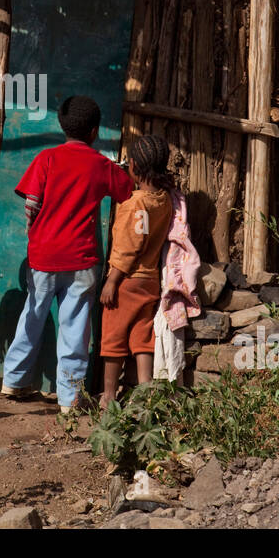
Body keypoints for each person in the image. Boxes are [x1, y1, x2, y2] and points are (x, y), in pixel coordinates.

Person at [1, 96, 132, 413]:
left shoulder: (46, 158)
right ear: (94, 131)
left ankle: (14, 380)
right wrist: (119, 169)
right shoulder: (101, 165)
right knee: (74, 329)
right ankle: (70, 401)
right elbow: (126, 189)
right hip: (81, 261)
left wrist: (38, 233)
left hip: (43, 256)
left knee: (32, 317)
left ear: (62, 126)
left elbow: (30, 205)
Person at [99, 134, 176, 407]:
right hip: (150, 280)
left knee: (113, 336)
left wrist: (112, 280)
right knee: (142, 336)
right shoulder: (164, 200)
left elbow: (129, 246)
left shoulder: (135, 204)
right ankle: (146, 393)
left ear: (133, 166)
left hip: (128, 280)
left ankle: (108, 396)